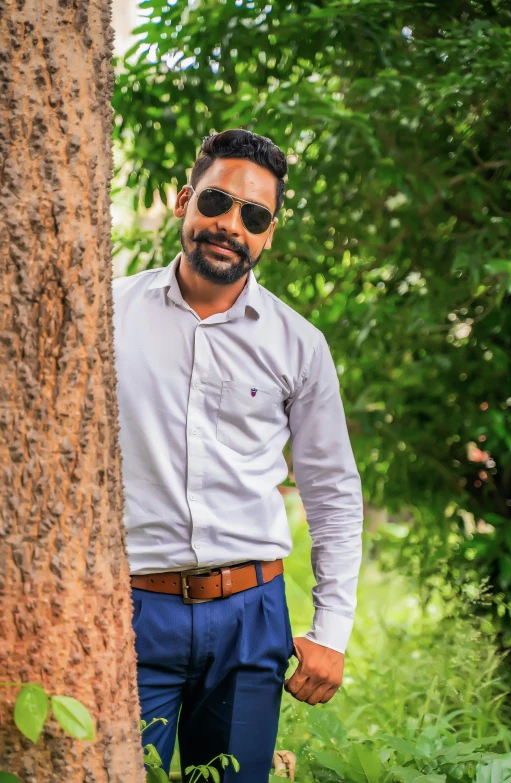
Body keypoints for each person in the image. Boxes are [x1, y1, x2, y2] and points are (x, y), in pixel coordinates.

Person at [112, 128, 363, 783]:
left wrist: (331, 628)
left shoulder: (298, 345)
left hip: (253, 617)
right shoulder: (106, 316)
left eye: (254, 215)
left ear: (268, 233)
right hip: (131, 612)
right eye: (218, 202)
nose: (231, 225)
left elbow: (333, 489)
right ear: (183, 199)